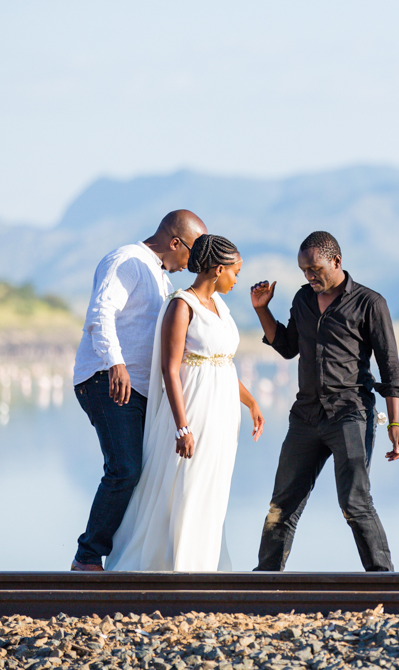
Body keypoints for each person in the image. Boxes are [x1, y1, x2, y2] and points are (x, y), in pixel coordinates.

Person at [249, 230, 399, 572]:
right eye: (304, 270)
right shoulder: (302, 299)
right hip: (305, 416)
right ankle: (264, 581)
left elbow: (390, 366)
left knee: (354, 501)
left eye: (315, 268)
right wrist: (263, 310)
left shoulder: (369, 303)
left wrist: (394, 423)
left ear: (336, 261)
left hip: (350, 415)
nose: (309, 276)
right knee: (282, 504)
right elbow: (289, 346)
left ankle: (383, 580)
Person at [107, 234, 265, 571]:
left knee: (212, 486)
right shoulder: (182, 304)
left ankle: (205, 562)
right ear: (218, 269)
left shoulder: (221, 307)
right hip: (193, 410)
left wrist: (250, 402)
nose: (237, 279)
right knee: (187, 485)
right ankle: (179, 564)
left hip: (222, 413)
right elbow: (170, 367)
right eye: (235, 272)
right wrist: (182, 426)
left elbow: (221, 362)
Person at [71, 210, 206, 572]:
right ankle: (87, 557)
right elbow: (101, 312)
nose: (193, 265)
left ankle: (127, 557)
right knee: (125, 468)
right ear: (175, 242)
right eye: (192, 255)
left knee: (144, 472)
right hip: (106, 380)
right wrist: (116, 364)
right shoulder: (127, 261)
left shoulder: (161, 278)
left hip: (140, 389)